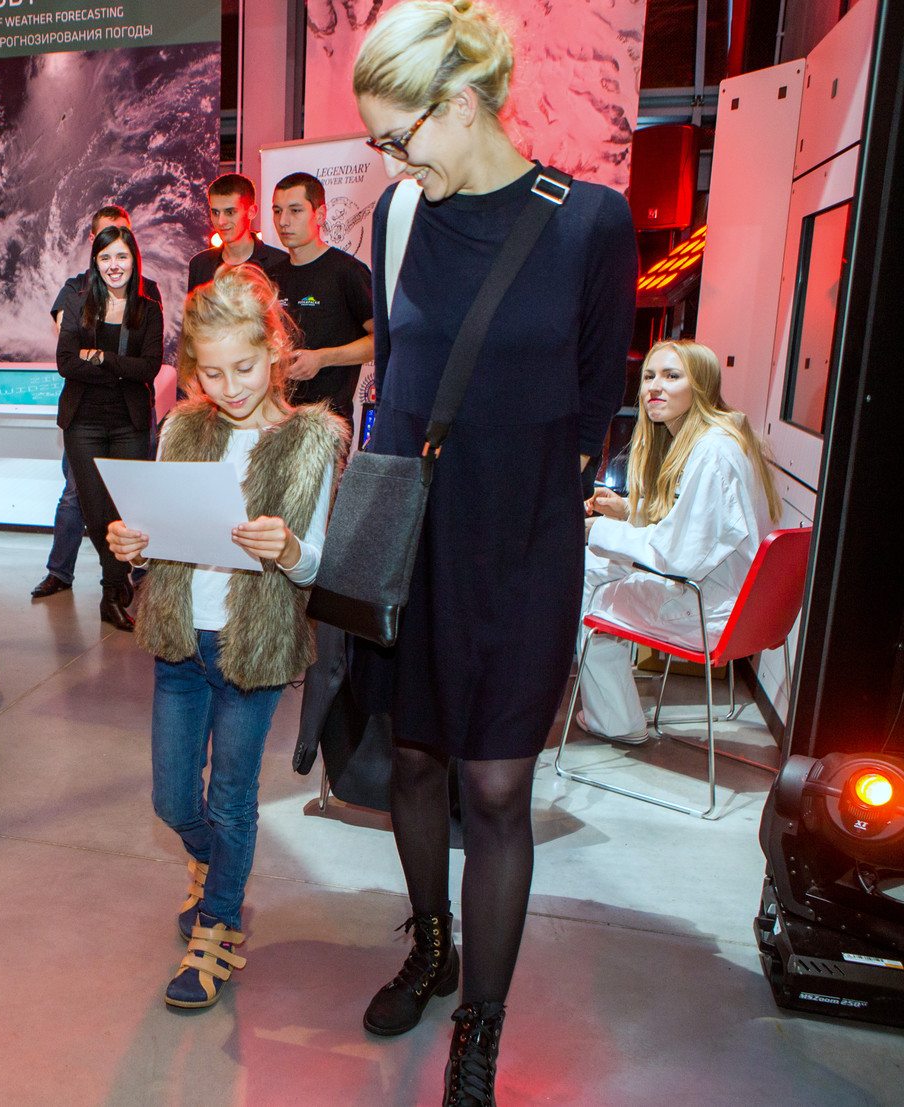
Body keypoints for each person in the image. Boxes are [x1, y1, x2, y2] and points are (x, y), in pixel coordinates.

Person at [350, 2, 637, 1103]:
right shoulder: (397, 219)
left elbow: (593, 405)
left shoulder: (589, 223)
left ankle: (481, 1027)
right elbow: (398, 379)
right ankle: (430, 945)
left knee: (498, 782)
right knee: (416, 760)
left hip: (522, 541)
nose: (392, 161)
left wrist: (532, 515)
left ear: (461, 104)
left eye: (398, 135)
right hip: (414, 538)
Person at [107, 264, 348, 1009]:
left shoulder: (311, 440)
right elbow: (160, 532)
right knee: (174, 799)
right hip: (181, 642)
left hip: (255, 652)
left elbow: (316, 563)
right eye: (211, 373)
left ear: (275, 349)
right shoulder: (183, 427)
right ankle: (218, 869)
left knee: (233, 799)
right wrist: (133, 545)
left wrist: (290, 549)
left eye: (243, 367)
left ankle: (218, 925)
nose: (230, 386)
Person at [579, 340, 780, 740]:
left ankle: (615, 721)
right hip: (732, 602)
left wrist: (593, 530)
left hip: (711, 611)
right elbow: (692, 528)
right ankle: (612, 709)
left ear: (701, 385)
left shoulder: (712, 452)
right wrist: (626, 510)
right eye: (649, 376)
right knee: (592, 568)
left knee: (585, 585)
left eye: (672, 376)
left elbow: (678, 554)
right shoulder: (717, 439)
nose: (654, 387)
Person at [33, 206, 162, 599]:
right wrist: (120, 367)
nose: (114, 261)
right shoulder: (75, 293)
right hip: (84, 419)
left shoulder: (148, 297)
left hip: (130, 419)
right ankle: (68, 574)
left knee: (129, 505)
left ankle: (123, 580)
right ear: (94, 248)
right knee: (81, 499)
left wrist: (102, 359)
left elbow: (148, 366)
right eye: (106, 250)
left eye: (122, 248)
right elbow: (67, 361)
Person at [271, 172, 377, 423]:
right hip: (275, 418)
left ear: (320, 214)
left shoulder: (347, 271)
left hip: (326, 423)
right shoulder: (271, 276)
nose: (283, 221)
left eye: (295, 210)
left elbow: (381, 341)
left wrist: (322, 358)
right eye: (277, 211)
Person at [186, 174, 289, 291]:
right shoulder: (200, 265)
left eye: (230, 212)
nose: (221, 221)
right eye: (215, 213)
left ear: (251, 212)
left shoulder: (280, 264)